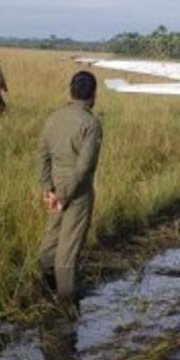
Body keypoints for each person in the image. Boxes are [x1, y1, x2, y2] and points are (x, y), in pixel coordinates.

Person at [36, 71, 103, 302]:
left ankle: (45, 291)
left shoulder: (53, 118)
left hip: (55, 186)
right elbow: (83, 169)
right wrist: (65, 196)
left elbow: (43, 156)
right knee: (68, 252)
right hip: (77, 192)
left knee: (51, 241)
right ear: (93, 95)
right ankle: (67, 306)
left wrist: (48, 189)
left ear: (71, 91)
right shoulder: (91, 124)